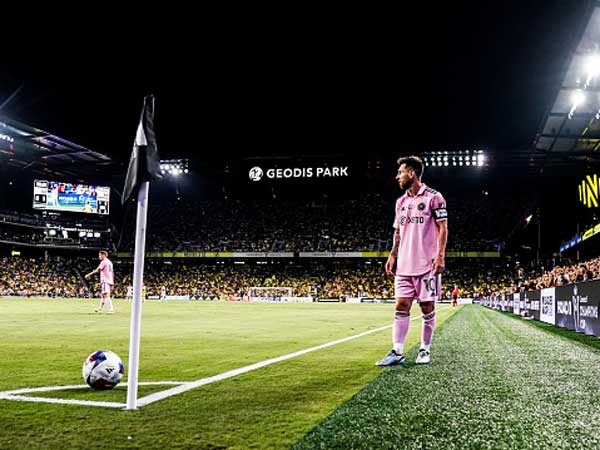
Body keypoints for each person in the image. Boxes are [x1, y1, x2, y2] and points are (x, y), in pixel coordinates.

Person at [376, 156, 448, 366]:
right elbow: (398, 232)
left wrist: (440, 256)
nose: (397, 176)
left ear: (412, 173)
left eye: (401, 172)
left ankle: (425, 350)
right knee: (401, 305)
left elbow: (443, 227)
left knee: (427, 307)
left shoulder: (435, 197)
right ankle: (397, 351)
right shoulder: (401, 202)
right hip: (404, 266)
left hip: (427, 265)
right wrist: (392, 255)